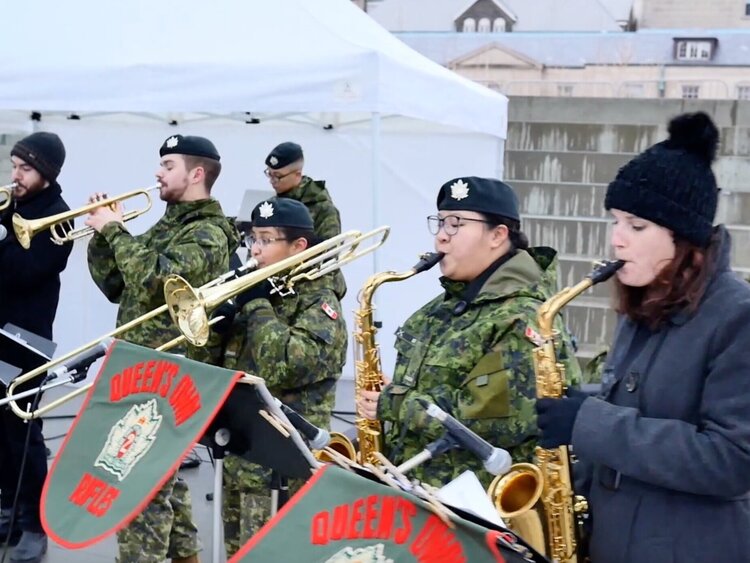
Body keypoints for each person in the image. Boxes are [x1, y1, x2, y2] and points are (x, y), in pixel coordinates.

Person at [536, 112, 750, 563]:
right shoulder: (644, 304)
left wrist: (588, 423)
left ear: (684, 237)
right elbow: (650, 403)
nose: (617, 240)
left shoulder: (737, 316)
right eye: (615, 222)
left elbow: (732, 460)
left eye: (636, 226)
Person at [357, 176, 581, 488]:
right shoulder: (446, 305)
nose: (441, 239)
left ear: (497, 235)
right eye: (440, 223)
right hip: (418, 497)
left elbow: (493, 422)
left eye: (455, 224)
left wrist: (396, 403)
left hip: (473, 511)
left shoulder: (524, 316)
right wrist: (397, 389)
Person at [86, 134, 240, 563]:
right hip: (138, 368)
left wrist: (114, 229)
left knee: (137, 483)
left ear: (196, 174)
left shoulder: (208, 232)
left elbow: (154, 281)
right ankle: (185, 556)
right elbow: (118, 286)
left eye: (167, 165)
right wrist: (101, 238)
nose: (157, 173)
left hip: (168, 376)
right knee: (160, 482)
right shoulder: (170, 222)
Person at [212, 197, 347, 557]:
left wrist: (256, 305)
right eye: (254, 238)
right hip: (238, 453)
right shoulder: (259, 290)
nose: (255, 250)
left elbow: (282, 367)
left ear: (298, 246)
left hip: (282, 468)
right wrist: (215, 327)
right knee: (236, 551)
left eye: (267, 239)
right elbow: (213, 366)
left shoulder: (320, 303)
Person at [0, 132, 72, 563]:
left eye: (25, 168)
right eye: (14, 166)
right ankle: (9, 507)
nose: (16, 175)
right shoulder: (14, 205)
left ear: (45, 172)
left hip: (27, 339)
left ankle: (34, 524)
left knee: (22, 430)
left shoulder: (59, 217)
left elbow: (25, 272)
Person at [265, 142, 347, 297]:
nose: (272, 180)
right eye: (269, 174)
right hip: (277, 286)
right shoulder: (271, 205)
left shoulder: (323, 209)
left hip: (313, 289)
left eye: (278, 176)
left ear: (297, 174)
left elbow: (330, 254)